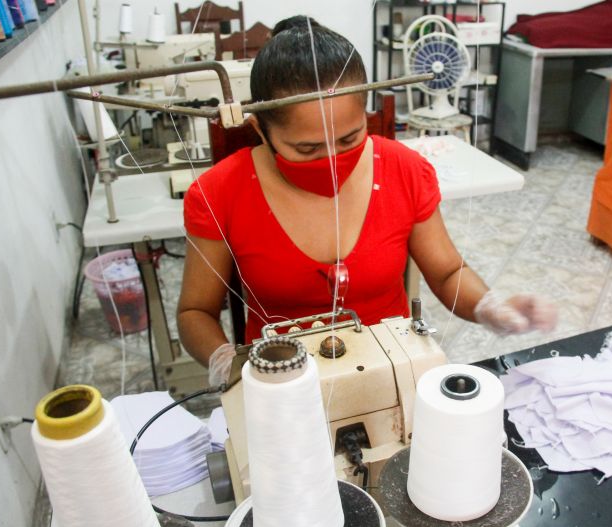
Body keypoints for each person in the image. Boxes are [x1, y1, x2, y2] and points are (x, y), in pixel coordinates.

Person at [177, 16, 557, 386]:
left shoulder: (404, 169)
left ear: (365, 117)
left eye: (349, 140)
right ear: (261, 129)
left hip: (389, 370)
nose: (331, 161)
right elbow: (196, 311)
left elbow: (446, 273)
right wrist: (225, 361)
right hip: (281, 380)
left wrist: (491, 307)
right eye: (307, 148)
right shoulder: (217, 193)